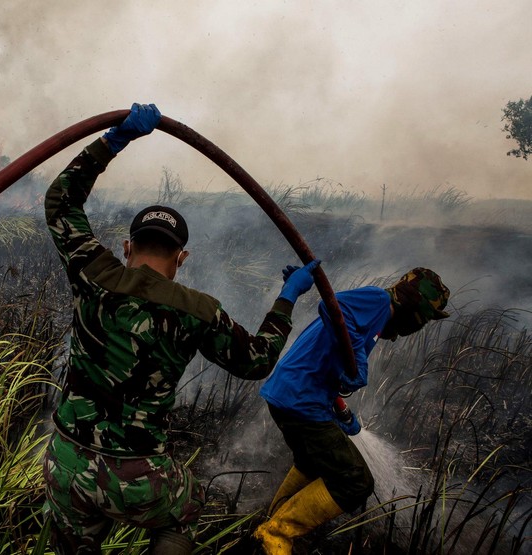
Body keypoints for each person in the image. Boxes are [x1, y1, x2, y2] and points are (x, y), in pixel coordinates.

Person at [41, 102, 321, 555]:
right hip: (138, 478)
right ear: (182, 259)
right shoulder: (198, 309)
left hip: (67, 463)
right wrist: (287, 297)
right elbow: (256, 362)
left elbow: (61, 200)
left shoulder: (94, 273)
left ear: (127, 246)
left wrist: (116, 139)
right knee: (189, 504)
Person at [251, 267, 451, 554]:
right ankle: (275, 534)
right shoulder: (378, 301)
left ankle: (272, 522)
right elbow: (333, 305)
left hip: (293, 394)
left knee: (311, 463)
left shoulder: (379, 316)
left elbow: (330, 353)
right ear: (416, 307)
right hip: (300, 400)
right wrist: (357, 357)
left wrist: (340, 409)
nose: (422, 326)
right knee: (356, 482)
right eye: (427, 318)